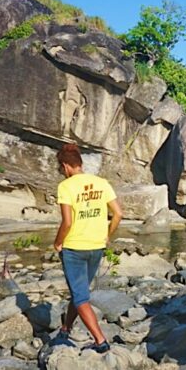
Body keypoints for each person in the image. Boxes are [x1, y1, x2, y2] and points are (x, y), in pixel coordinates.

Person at [51, 143, 123, 353]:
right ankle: (66, 328)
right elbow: (118, 214)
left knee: (80, 296)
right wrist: (107, 235)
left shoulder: (66, 187)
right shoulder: (101, 183)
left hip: (74, 247)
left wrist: (57, 242)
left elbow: (67, 222)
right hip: (97, 245)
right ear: (80, 163)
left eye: (61, 169)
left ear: (65, 166)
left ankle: (100, 341)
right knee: (79, 291)